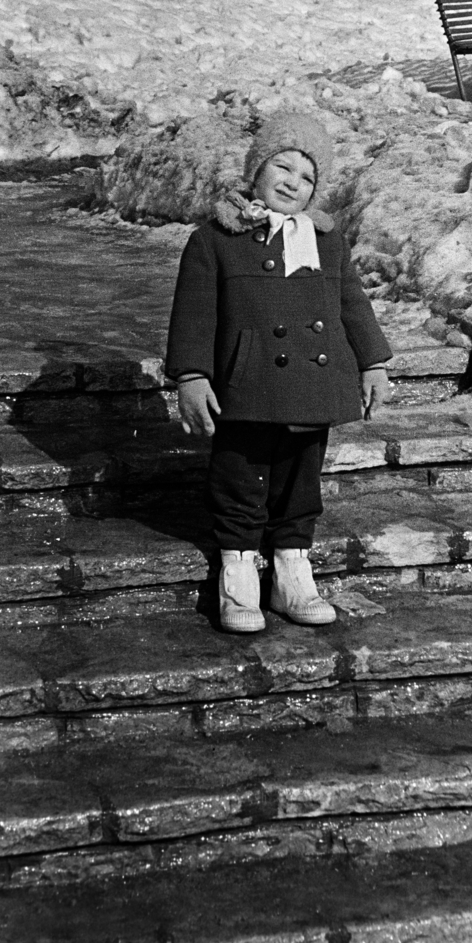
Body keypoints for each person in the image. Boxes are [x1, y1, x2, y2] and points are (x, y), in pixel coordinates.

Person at [165, 112, 392, 634]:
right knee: (240, 476)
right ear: (256, 170)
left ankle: (293, 568)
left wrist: (373, 362)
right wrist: (191, 376)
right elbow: (195, 313)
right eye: (282, 167)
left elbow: (351, 303)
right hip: (245, 384)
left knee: (301, 479)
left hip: (314, 380)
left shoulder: (325, 240)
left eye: (308, 175)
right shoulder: (216, 239)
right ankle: (238, 571)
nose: (294, 181)